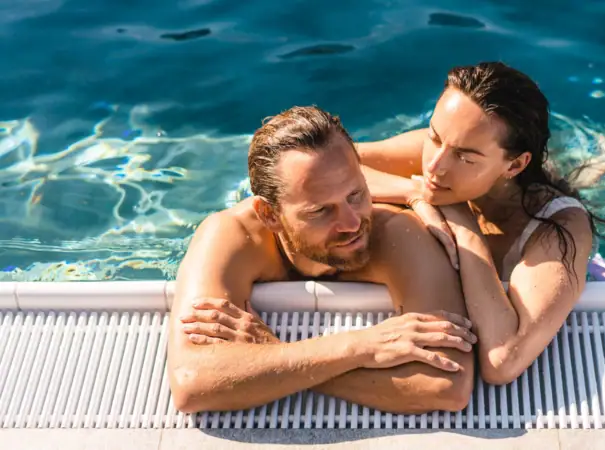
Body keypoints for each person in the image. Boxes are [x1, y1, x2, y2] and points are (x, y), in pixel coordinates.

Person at [166, 105, 476, 415]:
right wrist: (361, 347)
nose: (352, 223)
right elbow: (191, 383)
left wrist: (273, 356)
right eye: (320, 211)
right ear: (269, 215)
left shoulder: (399, 235)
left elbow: (447, 385)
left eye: (356, 195)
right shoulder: (232, 236)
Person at [355, 61, 605, 385]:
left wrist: (463, 224)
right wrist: (415, 192)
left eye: (465, 157)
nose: (435, 167)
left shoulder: (559, 228)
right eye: (434, 137)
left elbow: (503, 361)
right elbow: (324, 166)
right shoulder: (444, 149)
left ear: (515, 164)